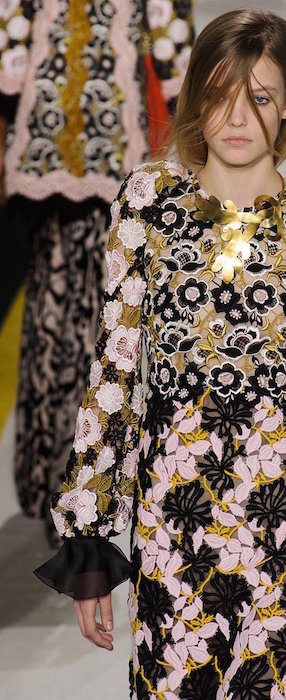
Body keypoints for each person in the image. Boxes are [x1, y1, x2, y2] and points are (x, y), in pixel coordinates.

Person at [33, 8, 286, 698]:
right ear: (193, 99)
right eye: (217, 95)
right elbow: (115, 369)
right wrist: (89, 530)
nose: (236, 119)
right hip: (174, 514)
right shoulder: (150, 204)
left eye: (258, 98)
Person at [0, 1, 195, 546]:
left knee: (65, 310)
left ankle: (63, 479)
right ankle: (76, 483)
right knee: (91, 319)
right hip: (84, 138)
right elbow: (171, 40)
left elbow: (11, 33)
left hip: (55, 136)